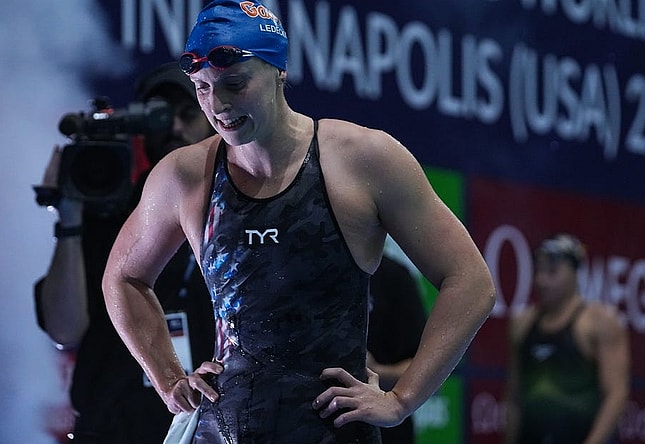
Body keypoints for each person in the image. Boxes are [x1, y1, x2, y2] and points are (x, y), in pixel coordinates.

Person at [101, 1, 496, 443]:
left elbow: (470, 281)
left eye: (234, 83)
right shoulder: (184, 176)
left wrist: (402, 399)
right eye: (203, 88)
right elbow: (124, 278)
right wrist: (169, 377)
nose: (219, 105)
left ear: (278, 71)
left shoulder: (362, 159)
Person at [34, 62, 216, 444]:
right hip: (108, 427)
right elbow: (64, 330)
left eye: (187, 114)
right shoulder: (109, 217)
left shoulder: (231, 218)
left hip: (206, 428)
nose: (175, 129)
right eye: (160, 117)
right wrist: (69, 218)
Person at [503, 233, 631, 444]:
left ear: (574, 272)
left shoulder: (599, 322)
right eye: (539, 271)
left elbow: (616, 395)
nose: (542, 280)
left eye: (552, 272)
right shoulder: (521, 324)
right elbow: (514, 396)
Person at [367, 254, 427, 444]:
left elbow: (429, 371)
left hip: (384, 432)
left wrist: (376, 372)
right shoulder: (301, 269)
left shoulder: (394, 277)